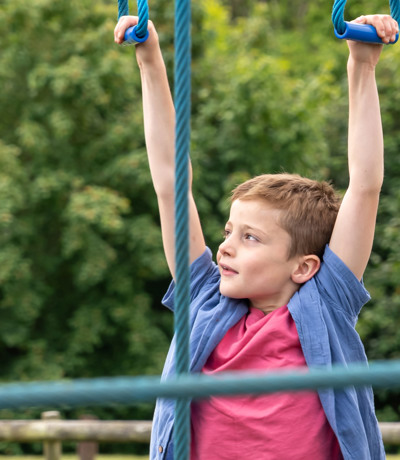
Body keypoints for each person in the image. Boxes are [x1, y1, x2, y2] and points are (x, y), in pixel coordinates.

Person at [114, 13, 398, 460]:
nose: (224, 246)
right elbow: (170, 183)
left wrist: (361, 66)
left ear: (304, 267)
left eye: (251, 238)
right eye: (230, 231)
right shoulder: (204, 298)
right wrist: (149, 59)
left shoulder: (325, 304)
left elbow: (365, 184)